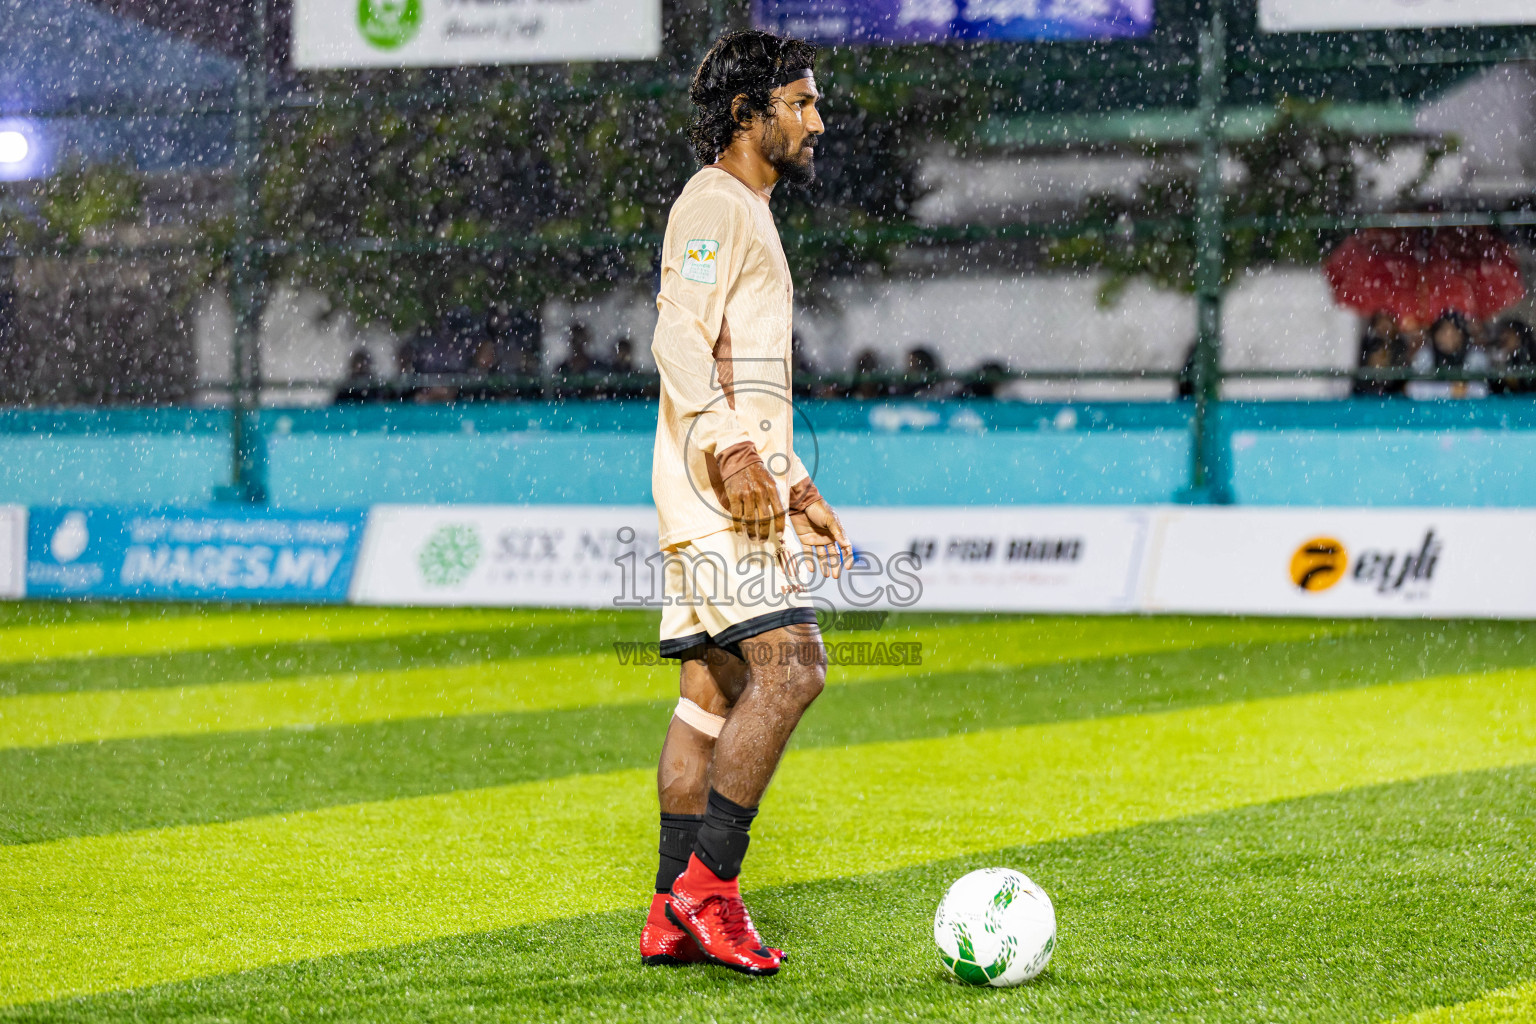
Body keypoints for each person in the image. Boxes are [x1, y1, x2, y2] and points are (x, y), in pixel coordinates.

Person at [642, 29, 852, 978]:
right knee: (795, 668)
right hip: (713, 490)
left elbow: (743, 374)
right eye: (801, 103)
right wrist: (733, 456)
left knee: (711, 698)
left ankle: (664, 908)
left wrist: (795, 479)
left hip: (731, 483)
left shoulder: (746, 212)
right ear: (748, 113)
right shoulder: (713, 203)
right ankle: (708, 891)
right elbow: (675, 338)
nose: (818, 119)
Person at [1491, 318, 1536, 395]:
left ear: (1519, 336)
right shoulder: (1509, 357)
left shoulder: (1530, 354)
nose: (1503, 337)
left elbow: (1529, 384)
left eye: (1508, 336)